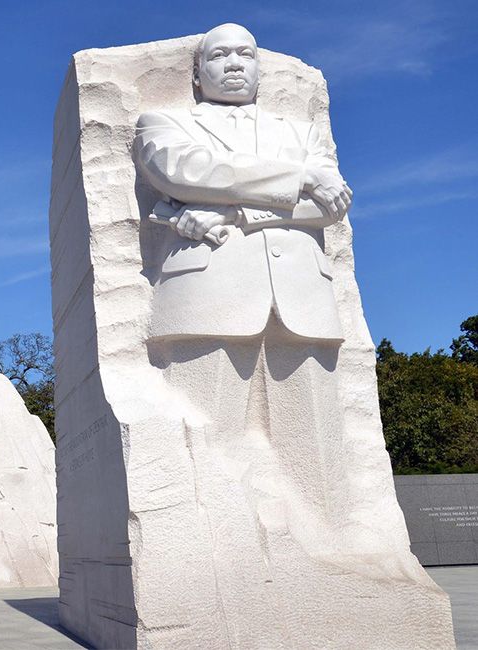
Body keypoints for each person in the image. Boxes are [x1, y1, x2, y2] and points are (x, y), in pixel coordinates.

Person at [134, 22, 359, 559]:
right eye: (219, 55)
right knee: (206, 436)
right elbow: (179, 170)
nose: (234, 63)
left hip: (303, 297)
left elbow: (330, 205)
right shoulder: (162, 121)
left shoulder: (301, 132)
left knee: (317, 451)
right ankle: (208, 555)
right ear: (196, 71)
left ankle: (331, 556)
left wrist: (229, 209)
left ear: (259, 67)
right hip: (207, 293)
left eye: (245, 53)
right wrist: (295, 183)